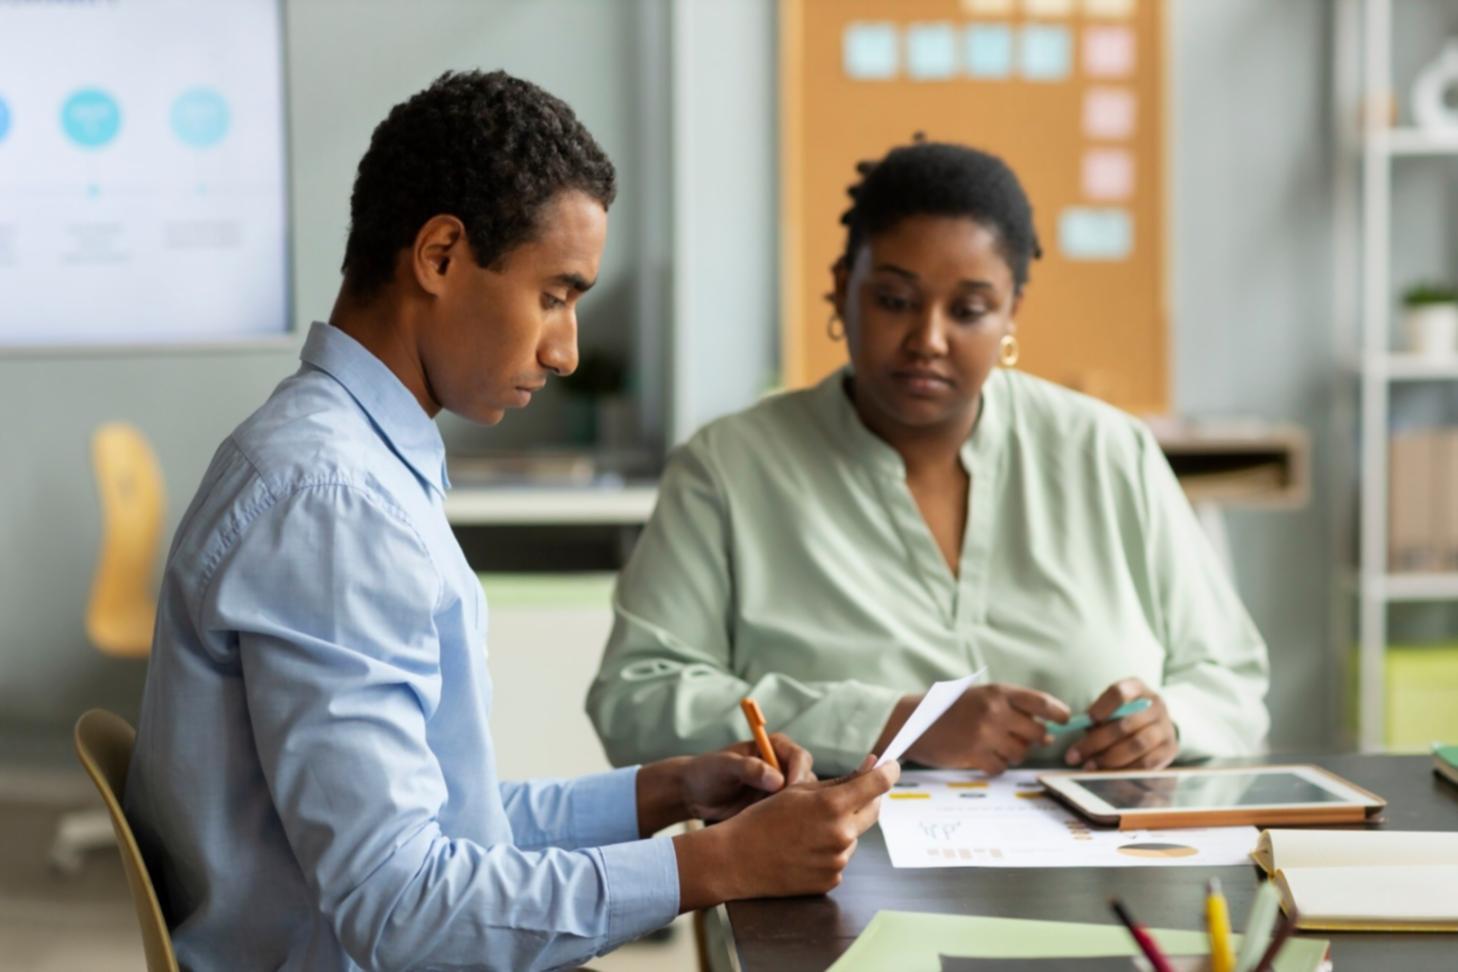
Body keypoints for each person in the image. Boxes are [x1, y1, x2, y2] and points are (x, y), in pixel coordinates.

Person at [124, 70, 896, 972]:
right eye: (555, 296)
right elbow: (400, 906)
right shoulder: (333, 503)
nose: (565, 349)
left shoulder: (349, 466)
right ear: (441, 256)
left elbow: (454, 822)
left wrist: (670, 791)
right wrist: (716, 866)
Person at [588, 139, 1270, 780]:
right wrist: (888, 724)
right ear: (839, 288)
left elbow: (1232, 679)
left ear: (1012, 314)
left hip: (1099, 873)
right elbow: (636, 700)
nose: (929, 340)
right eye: (894, 300)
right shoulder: (729, 468)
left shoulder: (1109, 452)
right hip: (832, 875)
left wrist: (1169, 723)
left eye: (970, 310)